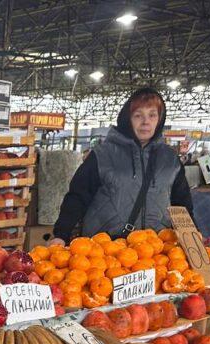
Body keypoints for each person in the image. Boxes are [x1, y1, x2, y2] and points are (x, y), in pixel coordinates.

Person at [53, 87, 192, 241]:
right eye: (138, 115)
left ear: (160, 119)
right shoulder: (103, 155)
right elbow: (77, 196)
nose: (146, 122)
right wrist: (61, 235)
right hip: (105, 250)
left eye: (152, 115)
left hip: (157, 251)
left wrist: (192, 239)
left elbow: (183, 204)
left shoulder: (170, 160)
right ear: (128, 118)